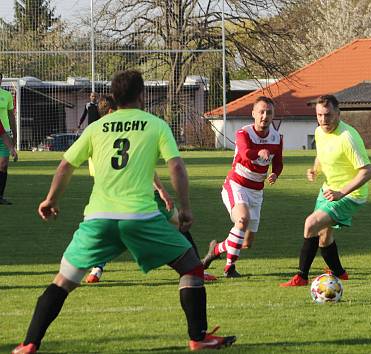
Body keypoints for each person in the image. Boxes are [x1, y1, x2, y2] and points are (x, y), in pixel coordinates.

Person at [12, 70, 235, 354]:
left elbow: (66, 165)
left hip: (98, 219)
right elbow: (176, 166)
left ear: (114, 97)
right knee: (191, 266)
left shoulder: (96, 128)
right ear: (141, 95)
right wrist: (186, 207)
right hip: (140, 218)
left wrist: (51, 199)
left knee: (63, 281)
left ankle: (29, 343)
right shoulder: (155, 125)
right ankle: (198, 337)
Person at [83, 94, 216, 283]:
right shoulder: (125, 133)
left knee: (109, 233)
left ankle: (95, 270)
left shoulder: (95, 135)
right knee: (179, 225)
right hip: (141, 195)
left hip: (107, 197)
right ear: (112, 111)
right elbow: (142, 166)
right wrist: (161, 190)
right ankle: (197, 270)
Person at [280, 94, 371, 287]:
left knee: (310, 223)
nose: (324, 120)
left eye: (328, 115)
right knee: (323, 236)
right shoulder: (319, 132)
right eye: (320, 115)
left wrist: (341, 193)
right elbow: (321, 155)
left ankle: (301, 276)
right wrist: (315, 169)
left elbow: (367, 172)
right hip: (328, 191)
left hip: (351, 195)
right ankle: (340, 273)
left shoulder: (348, 137)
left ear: (338, 113)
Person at [201, 96, 283, 278]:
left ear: (273, 115)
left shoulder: (277, 138)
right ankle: (230, 268)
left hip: (257, 191)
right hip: (237, 184)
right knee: (242, 219)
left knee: (246, 243)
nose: (264, 116)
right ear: (253, 113)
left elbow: (278, 162)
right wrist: (258, 152)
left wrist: (275, 173)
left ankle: (216, 250)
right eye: (261, 112)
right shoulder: (243, 133)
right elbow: (245, 153)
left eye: (269, 112)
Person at [0, 73, 17, 205]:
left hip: (4, 133)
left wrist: (14, 138)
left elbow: (11, 116)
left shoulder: (6, 95)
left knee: (3, 165)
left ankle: (0, 195)